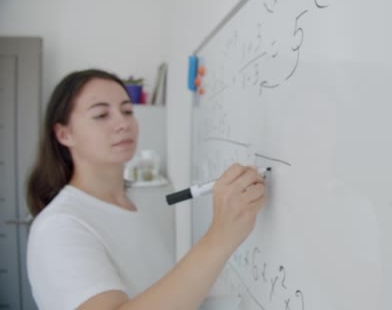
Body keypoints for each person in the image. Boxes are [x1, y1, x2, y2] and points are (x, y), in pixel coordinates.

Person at [26, 69, 267, 309]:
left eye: (128, 110)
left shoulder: (130, 204)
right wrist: (220, 236)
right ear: (64, 134)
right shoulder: (59, 227)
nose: (123, 123)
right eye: (101, 115)